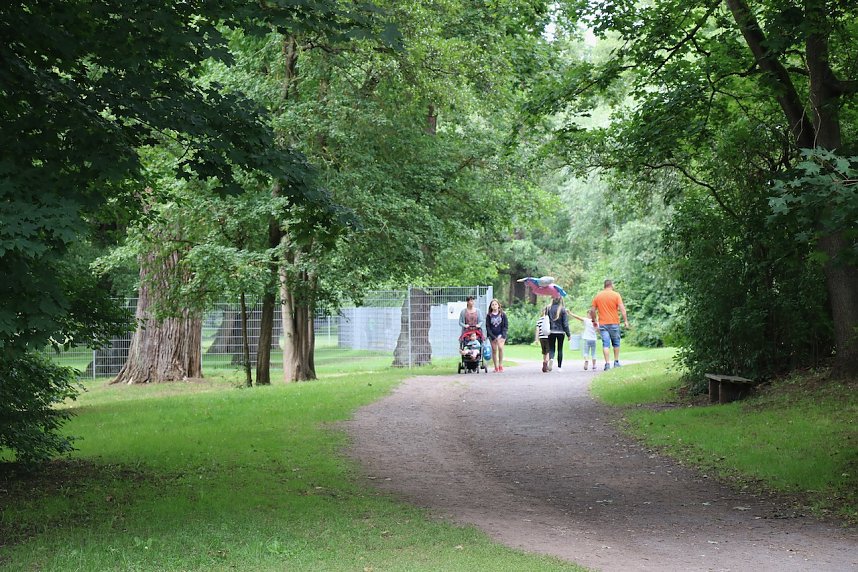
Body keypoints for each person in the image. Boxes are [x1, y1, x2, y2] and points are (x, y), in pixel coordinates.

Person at [592, 279, 630, 371]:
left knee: (606, 344)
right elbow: (622, 309)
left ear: (604, 285)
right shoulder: (616, 295)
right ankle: (616, 362)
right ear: (611, 285)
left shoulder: (598, 296)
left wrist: (594, 321)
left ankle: (607, 364)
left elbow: (592, 310)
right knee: (616, 343)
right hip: (614, 323)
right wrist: (625, 321)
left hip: (603, 324)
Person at [546, 296, 571, 371]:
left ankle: (551, 358)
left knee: (551, 348)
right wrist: (568, 334)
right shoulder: (562, 310)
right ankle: (559, 367)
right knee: (560, 349)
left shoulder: (548, 309)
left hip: (551, 331)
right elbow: (565, 324)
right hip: (561, 332)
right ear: (561, 300)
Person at [486, 298, 508, 373]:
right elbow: (488, 327)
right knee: (494, 350)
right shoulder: (489, 315)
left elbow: (505, 326)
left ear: (498, 305)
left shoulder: (502, 314)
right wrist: (492, 336)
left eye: (496, 304)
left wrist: (503, 335)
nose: (494, 306)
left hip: (501, 334)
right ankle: (496, 367)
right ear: (491, 306)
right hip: (492, 335)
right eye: (493, 304)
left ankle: (500, 365)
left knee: (501, 348)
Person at [535, 306, 551, 372]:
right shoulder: (549, 320)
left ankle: (544, 364)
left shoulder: (539, 320)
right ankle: (545, 363)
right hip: (548, 337)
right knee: (548, 352)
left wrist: (536, 339)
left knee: (544, 352)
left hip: (541, 338)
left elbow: (537, 330)